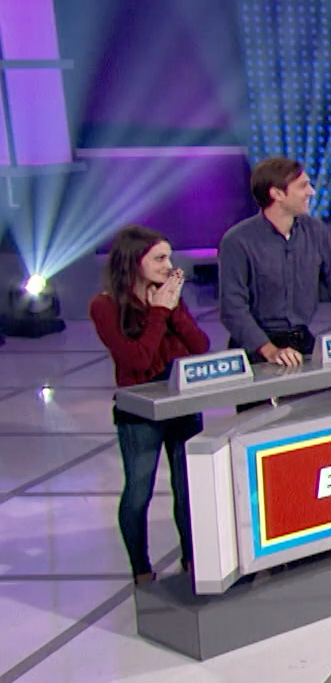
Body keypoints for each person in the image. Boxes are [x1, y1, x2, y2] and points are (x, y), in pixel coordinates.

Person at [89, 227, 209, 582]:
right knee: (139, 491)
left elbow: (200, 345)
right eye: (159, 258)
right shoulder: (104, 306)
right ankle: (141, 569)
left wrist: (172, 310)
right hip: (140, 414)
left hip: (181, 404)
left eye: (169, 257)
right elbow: (138, 360)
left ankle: (193, 560)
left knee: (187, 488)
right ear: (133, 262)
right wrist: (158, 312)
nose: (168, 266)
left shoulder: (168, 297)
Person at [219, 157, 331, 366]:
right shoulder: (237, 241)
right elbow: (232, 309)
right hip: (256, 349)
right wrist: (270, 351)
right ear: (277, 194)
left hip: (301, 341)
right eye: (302, 186)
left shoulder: (315, 230)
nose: (311, 192)